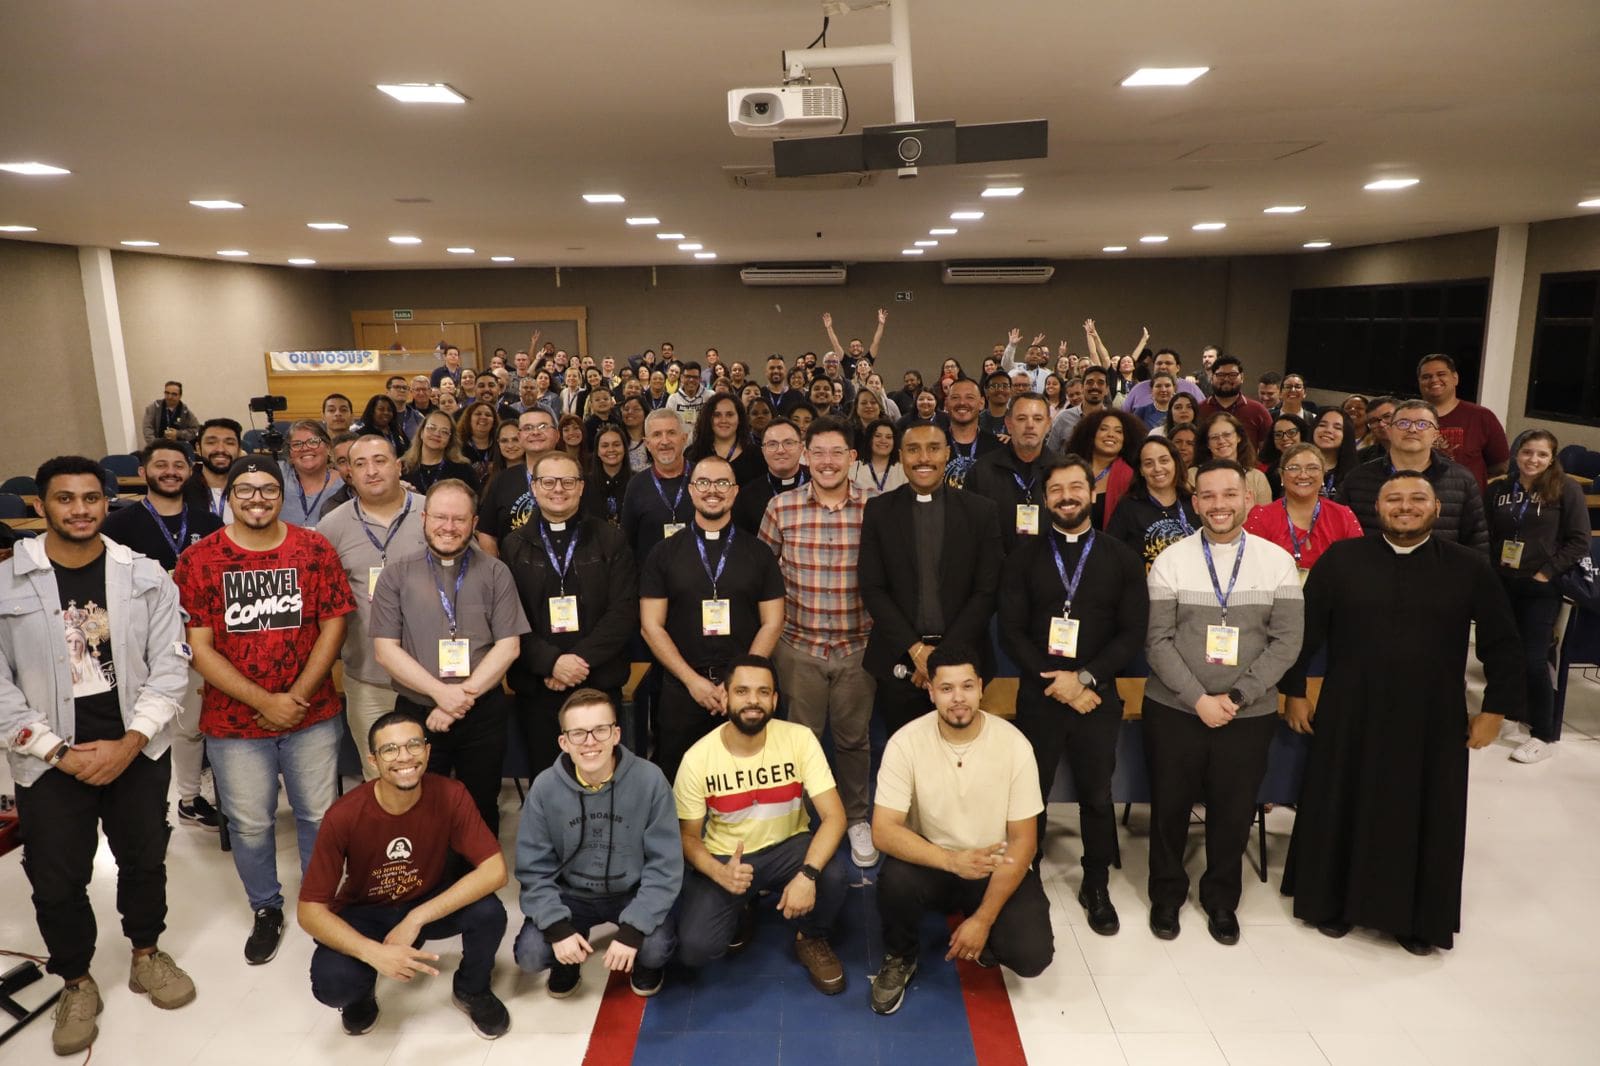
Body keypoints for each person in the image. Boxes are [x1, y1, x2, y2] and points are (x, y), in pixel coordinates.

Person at [1, 456, 196, 1056]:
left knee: (144, 860)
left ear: (106, 502)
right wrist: (59, 752)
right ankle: (77, 981)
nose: (80, 510)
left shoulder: (144, 575)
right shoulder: (8, 583)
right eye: (65, 499)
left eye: (91, 498)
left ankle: (146, 952)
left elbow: (172, 664)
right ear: (41, 506)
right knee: (56, 879)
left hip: (134, 748)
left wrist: (131, 742)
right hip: (49, 760)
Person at [1281, 471, 1523, 954]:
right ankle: (1331, 903)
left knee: (1422, 811)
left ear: (1436, 509)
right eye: (1394, 498)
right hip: (1351, 709)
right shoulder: (1342, 559)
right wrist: (1294, 691)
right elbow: (1305, 632)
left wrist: (1495, 709)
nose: (1405, 506)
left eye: (1417, 499)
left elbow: (1503, 642)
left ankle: (1415, 920)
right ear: (1378, 508)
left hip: (1431, 716)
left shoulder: (1468, 566)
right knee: (1340, 801)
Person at [175, 455, 355, 965]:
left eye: (268, 489)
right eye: (246, 490)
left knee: (319, 815)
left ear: (282, 495)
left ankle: (319, 903)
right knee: (251, 824)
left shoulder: (313, 548)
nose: (257, 499)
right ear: (229, 497)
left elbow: (334, 624)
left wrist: (296, 696)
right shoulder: (200, 560)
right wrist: (266, 702)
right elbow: (198, 647)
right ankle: (266, 907)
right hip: (234, 724)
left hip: (311, 713)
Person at [1142, 460, 1303, 944]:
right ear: (1194, 503)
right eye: (1208, 496)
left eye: (1229, 494)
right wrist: (1199, 699)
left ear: (1248, 499)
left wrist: (1235, 697)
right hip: (1175, 709)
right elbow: (1157, 642)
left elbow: (1287, 642)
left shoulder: (1277, 562)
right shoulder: (1171, 560)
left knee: (1233, 812)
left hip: (1247, 713)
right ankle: (1166, 896)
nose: (1219, 505)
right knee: (1169, 809)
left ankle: (1220, 901)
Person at [998, 459, 1148, 935]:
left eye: (1076, 487)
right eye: (1057, 489)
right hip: (1039, 694)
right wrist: (1058, 682)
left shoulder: (1121, 558)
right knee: (1031, 796)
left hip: (1096, 697)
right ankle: (1026, 876)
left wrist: (1083, 679)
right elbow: (1011, 631)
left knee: (1097, 797)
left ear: (1092, 493)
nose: (1067, 496)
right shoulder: (1022, 558)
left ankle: (1095, 885)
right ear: (1046, 499)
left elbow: (1132, 632)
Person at [298, 712, 510, 1039]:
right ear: (373, 760)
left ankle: (472, 988)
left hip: (426, 898)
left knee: (489, 912)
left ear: (427, 750)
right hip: (367, 910)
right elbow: (309, 911)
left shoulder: (451, 794)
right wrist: (373, 953)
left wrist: (416, 918)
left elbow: (495, 870)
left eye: (413, 745)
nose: (404, 757)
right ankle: (361, 994)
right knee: (334, 985)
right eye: (390, 749)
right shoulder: (343, 815)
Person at [867, 645, 1054, 1015]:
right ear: (931, 692)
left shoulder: (1014, 745)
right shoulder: (905, 743)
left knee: (1032, 957)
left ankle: (981, 925)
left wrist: (983, 920)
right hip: (936, 861)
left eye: (967, 686)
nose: (958, 698)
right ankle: (901, 955)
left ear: (981, 687)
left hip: (993, 863)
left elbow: (1024, 841)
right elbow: (883, 831)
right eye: (947, 688)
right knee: (895, 880)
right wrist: (951, 861)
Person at [673, 654, 850, 994]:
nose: (753, 700)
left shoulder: (799, 738)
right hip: (729, 857)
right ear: (725, 697)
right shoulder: (697, 758)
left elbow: (835, 816)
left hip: (789, 847)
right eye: (742, 691)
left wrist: (807, 875)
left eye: (763, 692)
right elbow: (688, 837)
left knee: (832, 875)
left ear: (775, 700)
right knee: (696, 948)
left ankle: (811, 936)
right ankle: (743, 903)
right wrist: (718, 872)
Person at [370, 480, 528, 834]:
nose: (449, 526)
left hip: (482, 713)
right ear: (424, 518)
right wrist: (441, 694)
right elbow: (385, 651)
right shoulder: (396, 573)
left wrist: (457, 700)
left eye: (459, 519)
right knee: (419, 807)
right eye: (440, 517)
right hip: (417, 712)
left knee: (481, 804)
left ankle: (478, 867)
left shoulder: (496, 572)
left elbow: (509, 646)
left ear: (474, 523)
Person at [759, 417, 881, 867]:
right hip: (798, 647)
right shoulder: (781, 508)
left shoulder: (876, 507)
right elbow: (763, 575)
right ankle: (802, 823)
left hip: (857, 647)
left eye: (838, 453)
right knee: (800, 741)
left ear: (853, 458)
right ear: (806, 457)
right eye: (819, 453)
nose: (828, 462)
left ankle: (856, 818)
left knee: (853, 741)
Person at [514, 689, 682, 998]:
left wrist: (633, 930)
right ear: (564, 742)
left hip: (632, 892)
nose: (590, 741)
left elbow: (665, 865)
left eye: (600, 730)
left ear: (616, 734)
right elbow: (533, 870)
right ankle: (567, 958)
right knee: (531, 954)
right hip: (571, 894)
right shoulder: (544, 788)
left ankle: (645, 962)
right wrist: (558, 929)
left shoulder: (651, 780)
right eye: (578, 733)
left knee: (656, 948)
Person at [640, 455, 785, 782]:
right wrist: (693, 682)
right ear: (691, 490)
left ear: (734, 491)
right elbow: (650, 626)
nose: (713, 490)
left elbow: (773, 621)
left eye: (722, 483)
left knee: (746, 781)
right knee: (680, 782)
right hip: (683, 688)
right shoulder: (663, 553)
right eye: (703, 482)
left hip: (745, 692)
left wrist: (739, 683)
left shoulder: (759, 553)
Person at [102, 441, 224, 827]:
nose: (170, 471)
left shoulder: (209, 524)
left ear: (190, 471)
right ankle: (140, 805)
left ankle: (189, 797)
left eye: (178, 465)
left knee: (190, 724)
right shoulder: (118, 525)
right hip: (140, 640)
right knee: (141, 723)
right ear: (143, 472)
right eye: (161, 465)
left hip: (198, 636)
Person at [859, 423, 1003, 738]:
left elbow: (987, 591)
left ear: (947, 454)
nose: (924, 458)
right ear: (901, 457)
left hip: (965, 661)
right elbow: (872, 587)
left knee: (962, 755)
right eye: (913, 450)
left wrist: (937, 658)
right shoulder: (879, 510)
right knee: (906, 756)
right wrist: (915, 651)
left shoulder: (980, 511)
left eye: (933, 448)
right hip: (899, 662)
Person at [501, 452, 638, 776]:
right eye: (548, 482)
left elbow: (623, 612)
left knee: (602, 777)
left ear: (581, 487)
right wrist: (551, 663)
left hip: (598, 683)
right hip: (539, 689)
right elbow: (509, 618)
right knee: (548, 780)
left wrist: (575, 663)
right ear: (534, 487)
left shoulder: (611, 539)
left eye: (567, 481)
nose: (558, 489)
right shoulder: (513, 546)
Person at [317, 436, 428, 775]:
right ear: (348, 473)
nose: (371, 471)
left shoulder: (432, 513)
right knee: (381, 777)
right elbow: (321, 604)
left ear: (399, 466)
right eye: (360, 463)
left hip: (431, 678)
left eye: (380, 460)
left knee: (432, 775)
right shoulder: (331, 527)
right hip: (368, 680)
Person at [1485, 430, 1592, 763]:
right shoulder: (1499, 489)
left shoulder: (1566, 489)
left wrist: (1546, 572)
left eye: (1542, 454)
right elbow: (1487, 533)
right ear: (1516, 454)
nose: (1533, 460)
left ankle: (1543, 734)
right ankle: (1509, 714)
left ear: (1552, 458)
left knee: (1533, 659)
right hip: (1503, 582)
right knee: (1502, 655)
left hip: (1540, 587)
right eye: (1527, 452)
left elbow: (1580, 540)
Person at [1336, 399, 1489, 551]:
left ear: (1436, 434)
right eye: (1403, 423)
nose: (1412, 429)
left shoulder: (1462, 480)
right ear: (1390, 431)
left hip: (1439, 566)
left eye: (1423, 424)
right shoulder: (1358, 478)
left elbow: (1477, 543)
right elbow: (1338, 535)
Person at [1245, 443, 1363, 579]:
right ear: (1282, 476)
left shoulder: (1343, 516)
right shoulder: (1261, 517)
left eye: (1312, 468)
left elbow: (1357, 567)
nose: (1303, 475)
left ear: (1323, 475)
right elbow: (1249, 570)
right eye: (1294, 468)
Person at [964, 391, 1058, 554]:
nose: (1030, 425)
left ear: (1048, 424)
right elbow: (970, 532)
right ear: (1008, 424)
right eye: (1021, 418)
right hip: (997, 566)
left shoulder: (1063, 472)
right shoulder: (981, 471)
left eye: (1038, 419)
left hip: (1051, 566)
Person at [1104, 437, 1198, 571]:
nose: (1157, 468)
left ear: (1175, 463)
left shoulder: (1194, 502)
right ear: (1141, 470)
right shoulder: (1128, 507)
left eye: (1164, 461)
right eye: (1148, 464)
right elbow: (1110, 555)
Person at [1417, 353, 1509, 490]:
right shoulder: (1408, 418)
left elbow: (1500, 466)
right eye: (1426, 377)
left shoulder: (1482, 416)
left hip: (1468, 500)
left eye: (1441, 374)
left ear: (1455, 378)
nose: (1434, 380)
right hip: (1418, 497)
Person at [479, 407, 559, 554]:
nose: (535, 432)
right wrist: (497, 567)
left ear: (556, 435)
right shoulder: (502, 480)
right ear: (520, 437)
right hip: (511, 567)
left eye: (543, 426)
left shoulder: (576, 478)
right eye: (528, 428)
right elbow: (487, 534)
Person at [620, 409, 694, 564]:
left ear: (684, 438)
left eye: (671, 433)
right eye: (657, 435)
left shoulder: (703, 479)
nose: (665, 441)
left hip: (697, 575)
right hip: (651, 577)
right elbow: (627, 543)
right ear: (647, 444)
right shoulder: (636, 485)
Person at [1065, 408, 1144, 529]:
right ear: (1091, 434)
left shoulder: (1130, 477)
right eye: (1103, 429)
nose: (1111, 434)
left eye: (1118, 431)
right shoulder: (1069, 469)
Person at [733, 418, 809, 535]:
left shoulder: (818, 485)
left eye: (788, 443)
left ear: (801, 448)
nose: (780, 450)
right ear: (763, 451)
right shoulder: (746, 496)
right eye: (772, 444)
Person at [1197, 355, 1273, 451]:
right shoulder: (1199, 409)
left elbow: (1267, 451)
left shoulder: (1258, 411)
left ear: (1242, 377)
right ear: (1212, 378)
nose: (1226, 379)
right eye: (1221, 375)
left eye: (1232, 375)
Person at [1196, 412, 1272, 507]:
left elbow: (1266, 514)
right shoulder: (1193, 475)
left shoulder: (1257, 478)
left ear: (1239, 437)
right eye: (1214, 437)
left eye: (1227, 435)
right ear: (1207, 444)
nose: (1221, 441)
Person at [686, 393, 763, 485]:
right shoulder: (693, 454)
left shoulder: (757, 456)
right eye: (717, 415)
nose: (723, 420)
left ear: (739, 419)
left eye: (730, 415)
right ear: (708, 419)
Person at [401, 408, 479, 495]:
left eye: (444, 432)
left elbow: (474, 500)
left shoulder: (464, 470)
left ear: (450, 439)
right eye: (432, 428)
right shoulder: (402, 467)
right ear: (422, 432)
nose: (437, 434)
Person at [941, 378, 999, 489]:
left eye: (970, 397)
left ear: (981, 403)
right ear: (946, 403)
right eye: (955, 398)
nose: (962, 403)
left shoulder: (998, 448)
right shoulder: (934, 445)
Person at [184, 417, 243, 523]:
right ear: (198, 448)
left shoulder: (250, 491)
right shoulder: (183, 490)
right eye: (211, 442)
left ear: (239, 450)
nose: (220, 449)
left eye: (229, 443)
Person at [1044, 364, 1112, 455]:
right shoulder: (1063, 418)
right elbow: (1050, 453)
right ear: (1082, 388)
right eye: (1090, 382)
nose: (1095, 386)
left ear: (1107, 390)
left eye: (1100, 383)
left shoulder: (1113, 420)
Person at [1121, 349, 1205, 410]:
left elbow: (1204, 415)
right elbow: (1124, 416)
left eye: (1168, 363)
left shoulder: (1191, 389)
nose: (1163, 367)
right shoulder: (1138, 389)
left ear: (1178, 367)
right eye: (1159, 363)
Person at [849, 417, 907, 496]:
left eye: (888, 437)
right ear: (869, 439)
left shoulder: (904, 470)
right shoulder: (853, 468)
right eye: (877, 436)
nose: (883, 440)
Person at [140, 380, 200, 445]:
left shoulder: (185, 412)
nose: (170, 397)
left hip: (178, 448)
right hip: (156, 446)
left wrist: (178, 434)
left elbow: (196, 429)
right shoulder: (154, 408)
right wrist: (156, 444)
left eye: (174, 394)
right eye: (167, 393)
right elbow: (147, 429)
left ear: (180, 396)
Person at [1355, 395, 1397, 463]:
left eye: (1387, 416)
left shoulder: (1415, 450)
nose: (1381, 424)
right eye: (1374, 421)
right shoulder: (1360, 458)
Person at [400, 375, 436, 442]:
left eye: (424, 389)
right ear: (411, 392)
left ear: (430, 391)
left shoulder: (438, 411)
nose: (421, 393)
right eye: (417, 390)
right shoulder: (405, 410)